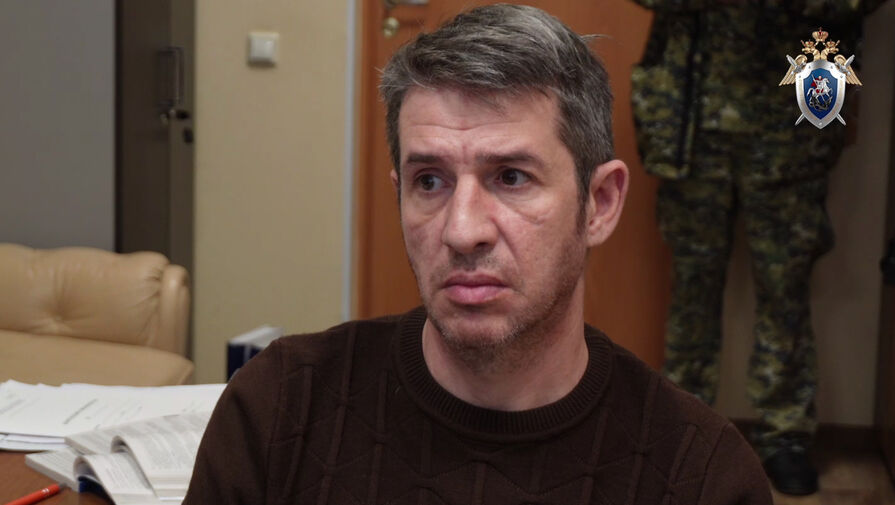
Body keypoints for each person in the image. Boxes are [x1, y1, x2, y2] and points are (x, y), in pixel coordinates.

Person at [184, 5, 771, 504]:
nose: (462, 231)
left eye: (511, 177)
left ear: (599, 203)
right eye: (430, 182)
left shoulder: (702, 477)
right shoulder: (280, 407)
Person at [629, 0, 882, 496]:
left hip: (798, 116)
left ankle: (785, 435)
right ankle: (683, 430)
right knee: (692, 289)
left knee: (786, 287)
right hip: (693, 117)